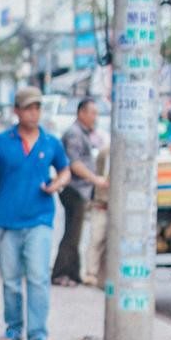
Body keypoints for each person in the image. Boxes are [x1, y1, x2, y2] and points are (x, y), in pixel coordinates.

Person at [0, 87, 71, 340]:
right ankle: (14, 327)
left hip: (39, 218)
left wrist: (57, 184)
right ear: (17, 111)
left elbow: (65, 170)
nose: (33, 113)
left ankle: (37, 333)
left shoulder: (50, 142)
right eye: (28, 108)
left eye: (37, 107)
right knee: (11, 280)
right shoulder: (2, 142)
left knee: (38, 276)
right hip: (7, 220)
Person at [53, 99, 109, 287]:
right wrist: (96, 179)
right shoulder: (74, 134)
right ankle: (61, 273)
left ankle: (73, 274)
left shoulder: (86, 134)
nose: (95, 117)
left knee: (75, 233)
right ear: (81, 113)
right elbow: (74, 164)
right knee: (72, 234)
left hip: (81, 191)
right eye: (92, 113)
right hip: (73, 189)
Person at [82, 145, 110, 287]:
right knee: (97, 239)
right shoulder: (106, 152)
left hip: (116, 206)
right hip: (101, 203)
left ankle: (102, 278)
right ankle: (91, 274)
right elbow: (102, 176)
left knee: (108, 244)